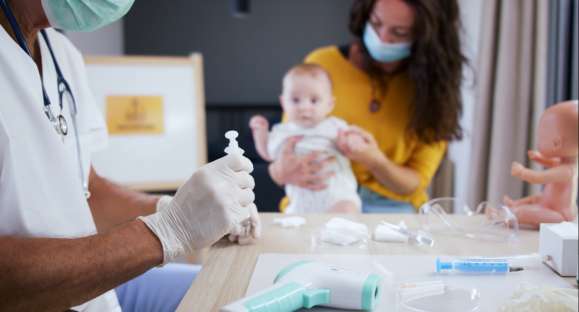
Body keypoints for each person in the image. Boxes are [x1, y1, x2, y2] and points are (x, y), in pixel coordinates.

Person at [0, 0, 259, 311]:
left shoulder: (60, 53)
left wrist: (176, 209)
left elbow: (88, 192)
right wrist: (167, 231)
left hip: (95, 295)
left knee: (243, 291)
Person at [268, 0, 466, 213]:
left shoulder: (434, 90)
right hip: (316, 198)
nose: (382, 38)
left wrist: (374, 160)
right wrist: (279, 172)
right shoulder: (321, 65)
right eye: (376, 23)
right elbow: (286, 147)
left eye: (399, 32)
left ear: (425, 37)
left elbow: (414, 183)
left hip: (390, 206)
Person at [250, 64, 361, 213]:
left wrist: (353, 141)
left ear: (329, 104)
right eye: (295, 100)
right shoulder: (282, 131)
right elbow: (268, 154)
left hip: (338, 196)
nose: (304, 107)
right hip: (301, 202)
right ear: (284, 103)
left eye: (314, 100)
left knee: (346, 212)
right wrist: (260, 134)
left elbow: (351, 142)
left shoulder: (334, 126)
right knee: (294, 226)